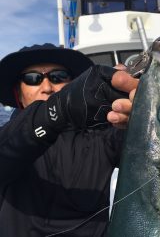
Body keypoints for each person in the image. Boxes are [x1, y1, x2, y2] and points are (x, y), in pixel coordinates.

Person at [0, 43, 138, 237]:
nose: (47, 87)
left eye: (58, 77)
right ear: (19, 94)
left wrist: (140, 107)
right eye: (32, 79)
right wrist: (58, 110)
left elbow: (147, 151)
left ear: (73, 83)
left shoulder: (103, 135)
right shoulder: (7, 138)